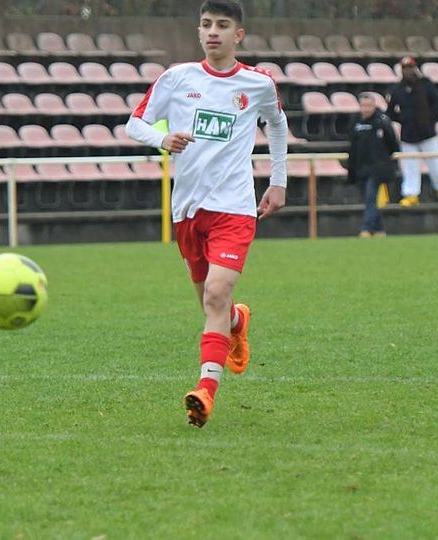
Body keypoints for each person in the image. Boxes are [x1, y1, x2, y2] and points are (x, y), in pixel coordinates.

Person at [126, 0, 288, 428]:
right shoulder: (176, 78)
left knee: (216, 293)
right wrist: (162, 139)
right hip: (187, 210)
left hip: (234, 208)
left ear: (239, 35)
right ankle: (237, 320)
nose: (212, 31)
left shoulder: (258, 83)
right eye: (205, 24)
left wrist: (278, 181)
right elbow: (135, 123)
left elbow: (277, 124)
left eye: (222, 25)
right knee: (211, 303)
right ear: (199, 31)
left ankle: (205, 392)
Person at [386, 56, 438, 207]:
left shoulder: (426, 84)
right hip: (408, 135)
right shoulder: (397, 89)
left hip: (428, 133)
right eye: (405, 68)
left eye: (410, 68)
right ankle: (411, 195)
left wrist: (430, 118)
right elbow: (390, 111)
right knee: (410, 166)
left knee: (436, 164)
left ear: (415, 68)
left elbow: (437, 102)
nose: (408, 71)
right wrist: (403, 119)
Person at [347, 92, 399, 238]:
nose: (366, 109)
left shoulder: (382, 120)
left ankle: (366, 229)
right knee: (368, 199)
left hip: (378, 167)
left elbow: (393, 143)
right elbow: (352, 145)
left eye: (369, 106)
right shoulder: (355, 121)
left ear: (374, 106)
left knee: (370, 197)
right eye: (363, 106)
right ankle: (379, 230)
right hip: (361, 166)